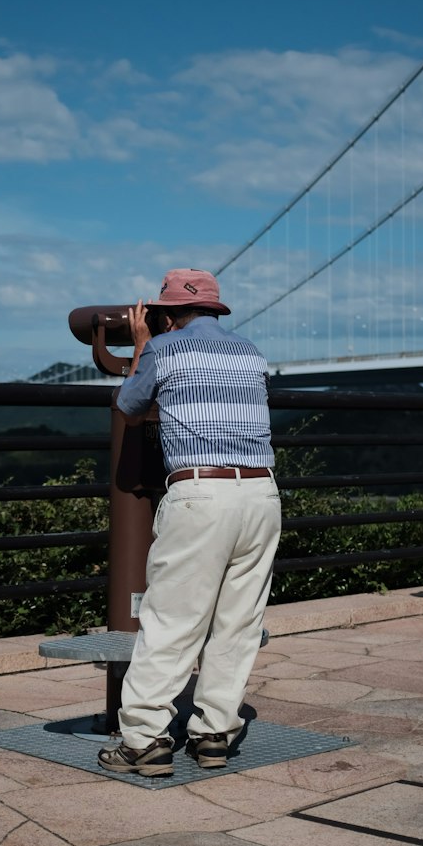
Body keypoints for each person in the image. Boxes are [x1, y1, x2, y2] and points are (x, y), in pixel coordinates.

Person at [98, 267, 281, 778]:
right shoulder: (250, 353)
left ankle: (143, 741)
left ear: (167, 314)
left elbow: (130, 406)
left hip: (201, 492)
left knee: (172, 620)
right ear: (216, 310)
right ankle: (214, 734)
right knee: (238, 624)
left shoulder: (165, 348)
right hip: (262, 493)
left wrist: (141, 345)